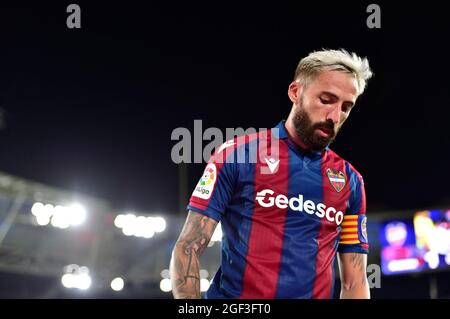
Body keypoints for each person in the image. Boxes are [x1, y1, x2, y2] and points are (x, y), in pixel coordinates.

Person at [170, 49, 373, 299]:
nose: (335, 116)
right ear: (295, 92)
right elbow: (188, 247)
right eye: (326, 99)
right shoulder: (238, 155)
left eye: (346, 107)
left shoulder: (350, 181)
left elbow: (355, 283)